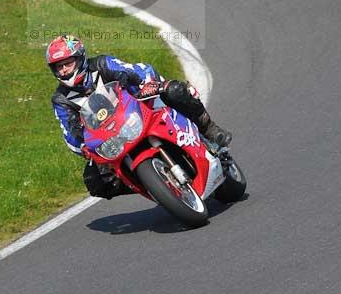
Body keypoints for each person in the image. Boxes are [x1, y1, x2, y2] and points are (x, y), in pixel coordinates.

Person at [47, 34, 232, 200]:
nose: (63, 70)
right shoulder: (61, 99)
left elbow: (133, 70)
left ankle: (209, 129)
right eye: (58, 67)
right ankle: (152, 184)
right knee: (95, 181)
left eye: (67, 63)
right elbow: (69, 131)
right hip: (111, 137)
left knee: (174, 91)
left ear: (80, 58)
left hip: (141, 107)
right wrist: (82, 146)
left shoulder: (102, 64)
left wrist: (142, 83)